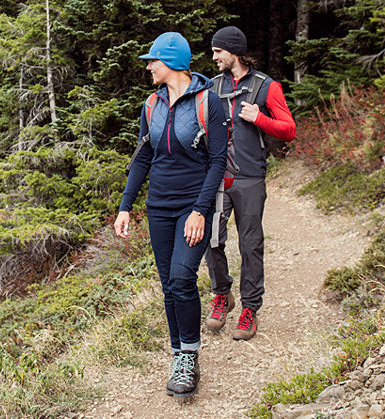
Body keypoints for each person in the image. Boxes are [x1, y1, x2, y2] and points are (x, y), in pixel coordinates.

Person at [113, 31, 230, 398]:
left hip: (193, 205)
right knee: (168, 285)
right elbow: (143, 156)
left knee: (182, 278)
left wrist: (200, 210)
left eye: (153, 61)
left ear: (173, 63)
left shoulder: (208, 102)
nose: (149, 67)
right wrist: (125, 206)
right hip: (159, 208)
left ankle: (189, 358)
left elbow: (216, 161)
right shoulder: (151, 104)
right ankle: (178, 352)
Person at [201, 26, 297, 341]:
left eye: (218, 51)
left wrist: (259, 119)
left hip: (250, 177)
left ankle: (249, 309)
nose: (213, 56)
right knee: (210, 238)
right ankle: (221, 295)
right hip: (216, 178)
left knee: (250, 244)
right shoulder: (211, 87)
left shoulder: (266, 87)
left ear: (233, 52)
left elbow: (288, 129)